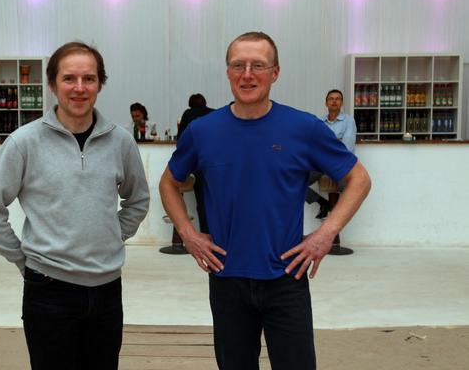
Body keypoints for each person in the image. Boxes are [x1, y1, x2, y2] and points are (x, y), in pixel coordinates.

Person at [159, 31, 371, 370]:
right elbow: (169, 182)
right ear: (228, 72)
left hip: (286, 276)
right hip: (226, 277)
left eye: (258, 65)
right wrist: (188, 233)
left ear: (275, 73)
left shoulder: (303, 128)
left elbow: (359, 179)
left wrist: (326, 233)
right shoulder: (203, 131)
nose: (247, 75)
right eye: (238, 65)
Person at [0, 41, 150, 370]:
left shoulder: (121, 142)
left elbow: (138, 199)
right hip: (48, 292)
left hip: (107, 290)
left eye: (89, 78)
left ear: (99, 84)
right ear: (53, 85)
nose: (79, 88)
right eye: (69, 78)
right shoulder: (25, 142)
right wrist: (22, 258)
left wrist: (113, 235)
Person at [305, 89, 357, 219]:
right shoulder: (319, 121)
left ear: (342, 103)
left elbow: (347, 148)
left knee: (337, 187)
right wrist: (335, 142)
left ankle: (334, 224)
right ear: (326, 103)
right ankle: (321, 202)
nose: (334, 101)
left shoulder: (348, 121)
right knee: (297, 181)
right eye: (331, 99)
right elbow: (314, 145)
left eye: (337, 99)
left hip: (340, 164)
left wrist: (326, 145)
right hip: (321, 164)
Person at [177, 93, 214, 234]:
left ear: (190, 105)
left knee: (202, 201)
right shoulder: (215, 113)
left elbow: (181, 139)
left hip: (198, 163)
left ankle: (205, 233)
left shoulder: (188, 114)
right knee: (217, 199)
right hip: (215, 164)